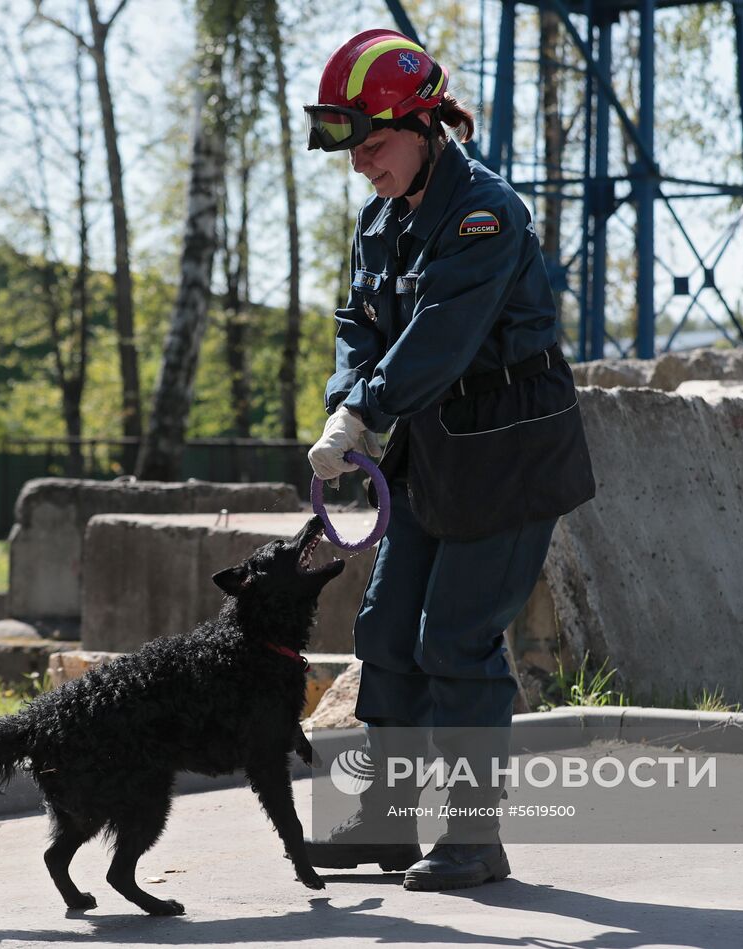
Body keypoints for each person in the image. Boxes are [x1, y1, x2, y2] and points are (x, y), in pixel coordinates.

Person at [302, 29, 596, 892]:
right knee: (387, 632)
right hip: (434, 453)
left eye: (375, 142)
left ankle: (474, 840)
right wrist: (343, 397)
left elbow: (441, 336)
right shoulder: (382, 217)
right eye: (352, 146)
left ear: (424, 124)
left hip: (508, 454)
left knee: (456, 639)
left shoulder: (483, 213)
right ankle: (386, 822)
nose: (361, 162)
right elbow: (360, 326)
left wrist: (365, 411)